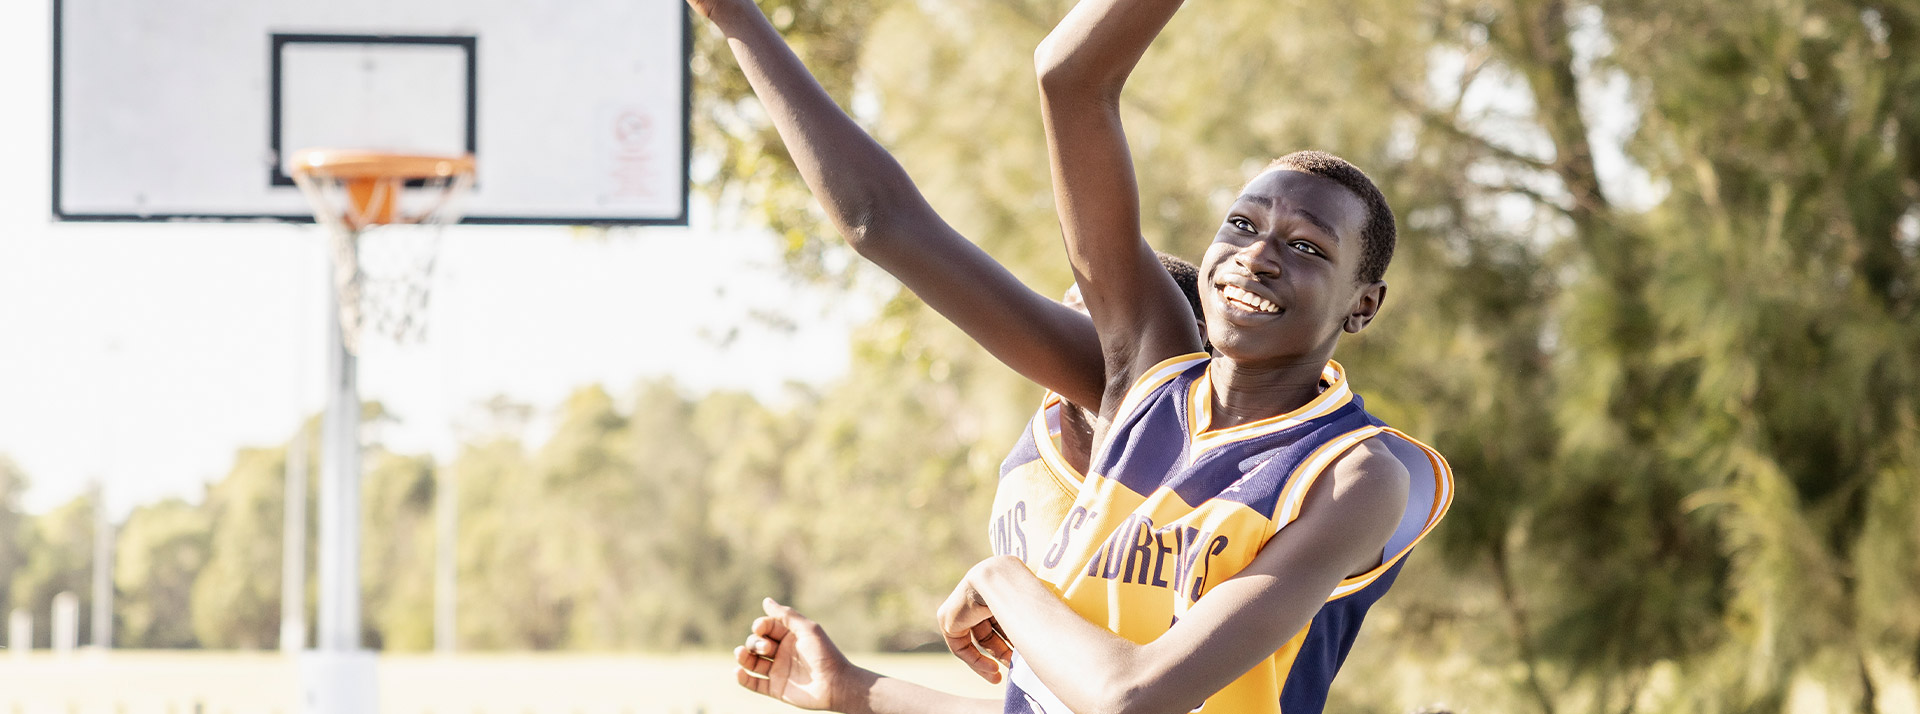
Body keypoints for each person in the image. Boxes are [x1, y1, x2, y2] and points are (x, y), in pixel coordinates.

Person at [925, 0, 1456, 711]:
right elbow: (1062, 78)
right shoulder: (1155, 396)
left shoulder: (1352, 476)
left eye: (1307, 247)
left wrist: (1001, 580)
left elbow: (1131, 698)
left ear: (1363, 303)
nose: (1257, 255)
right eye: (1241, 224)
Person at [677, 0, 1204, 710]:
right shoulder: (1036, 461)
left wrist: (740, 24)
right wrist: (854, 689)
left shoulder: (1175, 421)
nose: (1051, 328)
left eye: (1082, 321)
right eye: (1063, 307)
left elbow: (881, 219)